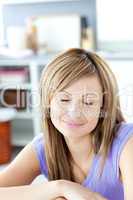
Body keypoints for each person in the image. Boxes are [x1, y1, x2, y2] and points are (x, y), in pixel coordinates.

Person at [0, 48, 133, 200]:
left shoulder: (127, 143)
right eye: (64, 100)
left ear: (103, 106)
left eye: (88, 102)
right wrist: (60, 187)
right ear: (48, 101)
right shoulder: (43, 147)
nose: (74, 112)